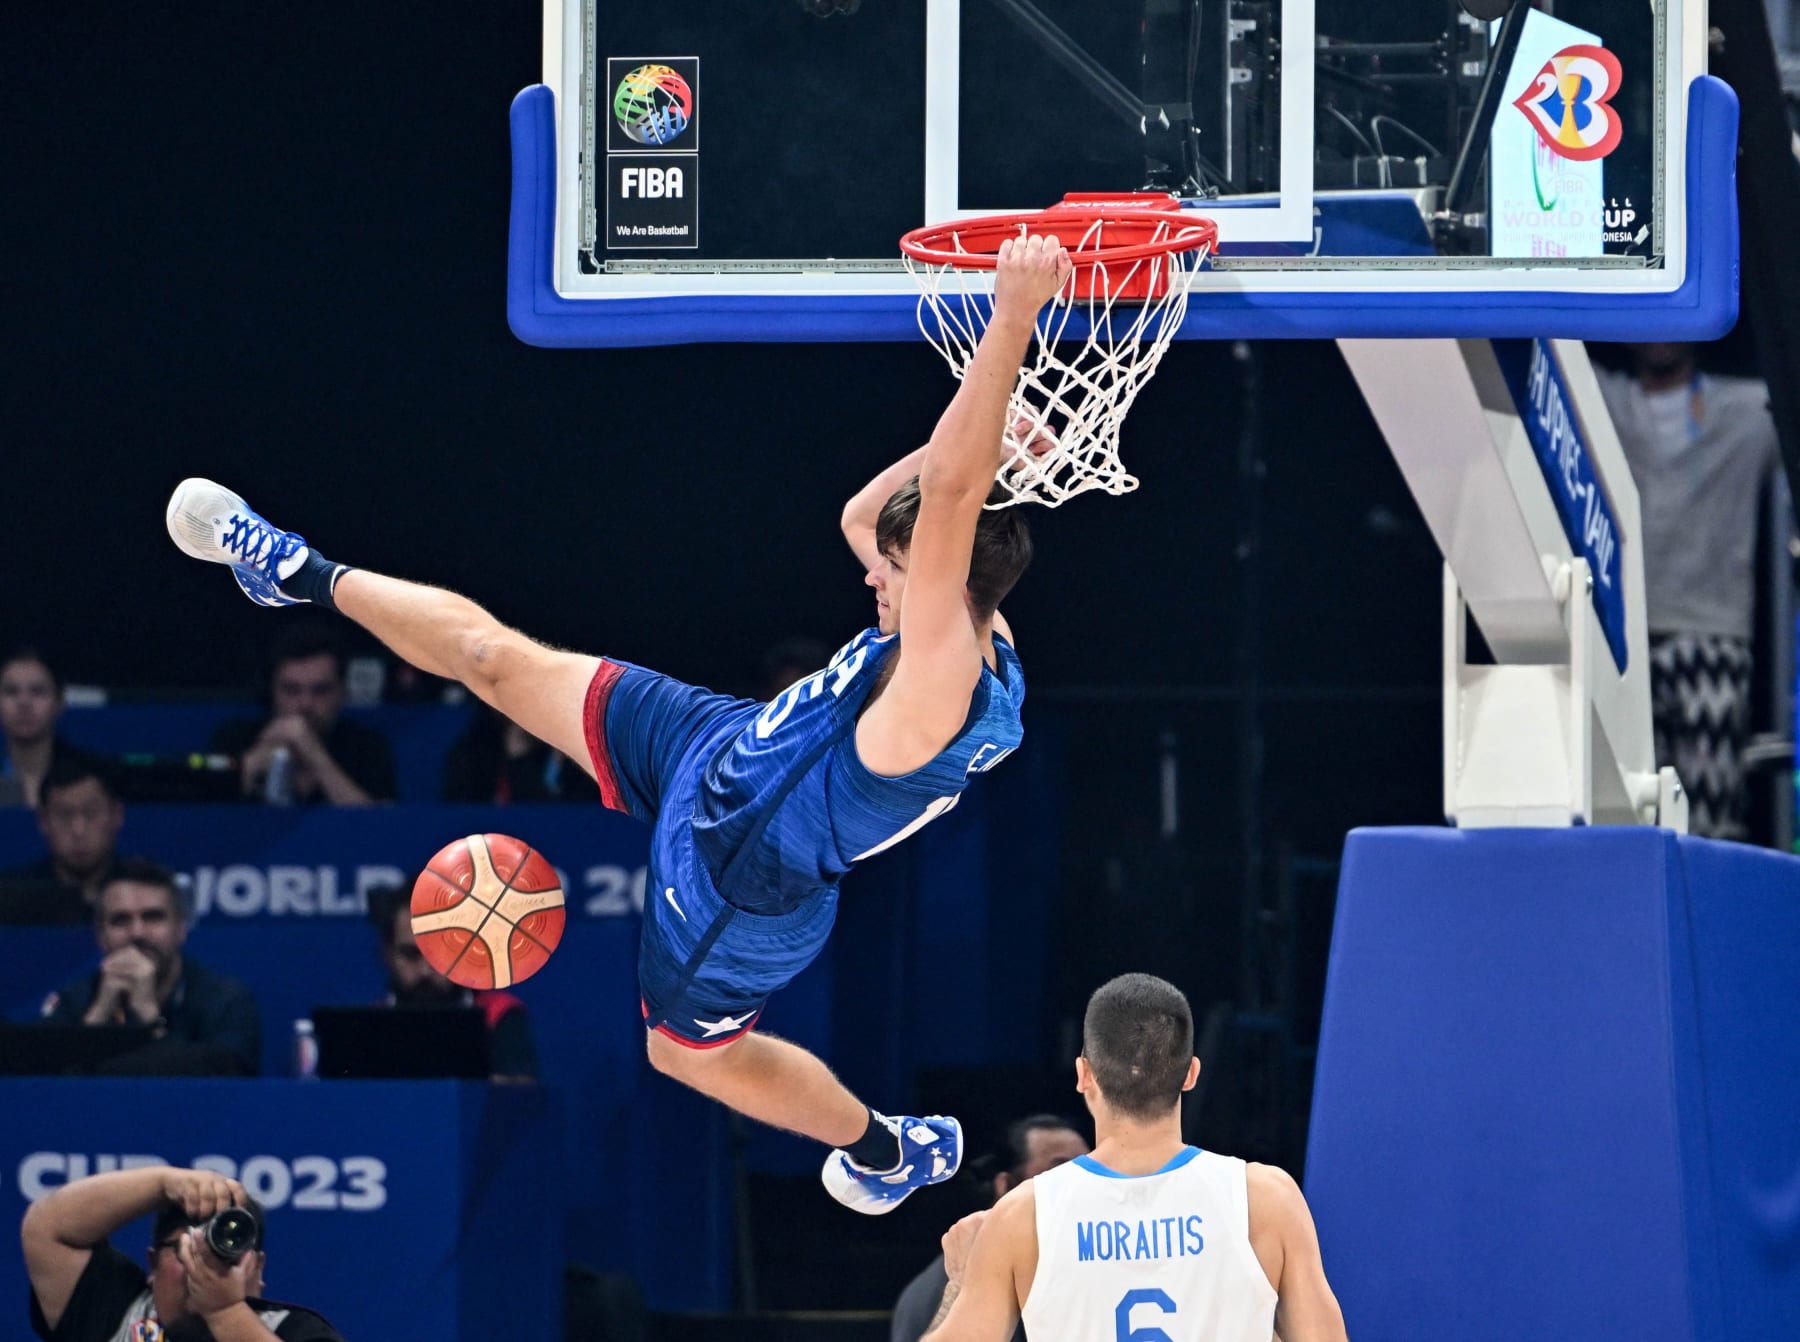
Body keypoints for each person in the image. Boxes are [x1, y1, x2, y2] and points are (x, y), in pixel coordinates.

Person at [164, 235, 1073, 1212]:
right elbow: (875, 514)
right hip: (717, 740)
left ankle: (884, 1146)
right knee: (494, 660)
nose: (869, 575)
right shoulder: (977, 612)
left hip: (744, 871)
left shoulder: (942, 673)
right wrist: (1007, 443)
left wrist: (1011, 322)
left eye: (894, 572)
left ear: (945, 579)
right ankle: (293, 568)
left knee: (685, 1054)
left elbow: (948, 497)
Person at [920, 973, 1347, 1342]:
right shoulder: (1266, 1199)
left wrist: (960, 1280)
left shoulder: (1023, 1215)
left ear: (1084, 1074)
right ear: (1190, 1073)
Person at [1594, 341, 1784, 840]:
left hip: (1713, 636)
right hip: (1624, 637)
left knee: (1711, 814)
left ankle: (1708, 915)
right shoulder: (1603, 402)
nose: (1663, 336)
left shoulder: (1747, 410)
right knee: (1625, 811)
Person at [22, 1164, 344, 1341]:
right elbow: (46, 1229)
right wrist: (164, 1183)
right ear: (152, 1264)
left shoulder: (293, 1331)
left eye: (224, 1252)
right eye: (185, 1249)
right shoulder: (115, 1311)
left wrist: (225, 1312)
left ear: (257, 1269)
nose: (202, 1262)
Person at [40, 858, 263, 1076]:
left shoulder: (226, 1000)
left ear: (181, 929)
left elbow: (230, 1079)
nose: (137, 932)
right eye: (120, 920)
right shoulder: (74, 1000)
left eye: (153, 917)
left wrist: (150, 1018)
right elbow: (41, 1086)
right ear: (100, 936)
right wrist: (99, 1016)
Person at [891, 1116, 1090, 1342]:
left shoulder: (1083, 1266)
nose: (1080, 1188)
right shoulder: (941, 1288)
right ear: (1005, 1186)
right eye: (1060, 1175)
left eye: (1088, 1174)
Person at [364, 882, 542, 1081]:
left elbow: (520, 1100)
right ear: (386, 954)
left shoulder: (497, 1017)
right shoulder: (368, 1027)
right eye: (410, 954)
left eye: (439, 953)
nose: (425, 971)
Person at [208, 621, 397, 805]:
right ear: (271, 691)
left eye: (320, 690)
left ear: (342, 692)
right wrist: (251, 764)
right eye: (292, 690)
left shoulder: (368, 748)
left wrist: (314, 754)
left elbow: (378, 827)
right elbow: (202, 819)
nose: (305, 704)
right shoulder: (234, 739)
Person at [1, 757, 127, 925]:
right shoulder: (9, 896)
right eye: (64, 815)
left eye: (91, 813)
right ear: (43, 821)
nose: (78, 830)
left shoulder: (147, 891)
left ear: (116, 816)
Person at [0, 646, 107, 808]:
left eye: (38, 692)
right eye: (11, 692)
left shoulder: (93, 777)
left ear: (59, 703)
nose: (24, 703)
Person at [440, 699, 584, 803]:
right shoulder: (471, 751)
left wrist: (520, 762)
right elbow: (461, 810)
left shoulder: (566, 754)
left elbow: (558, 818)